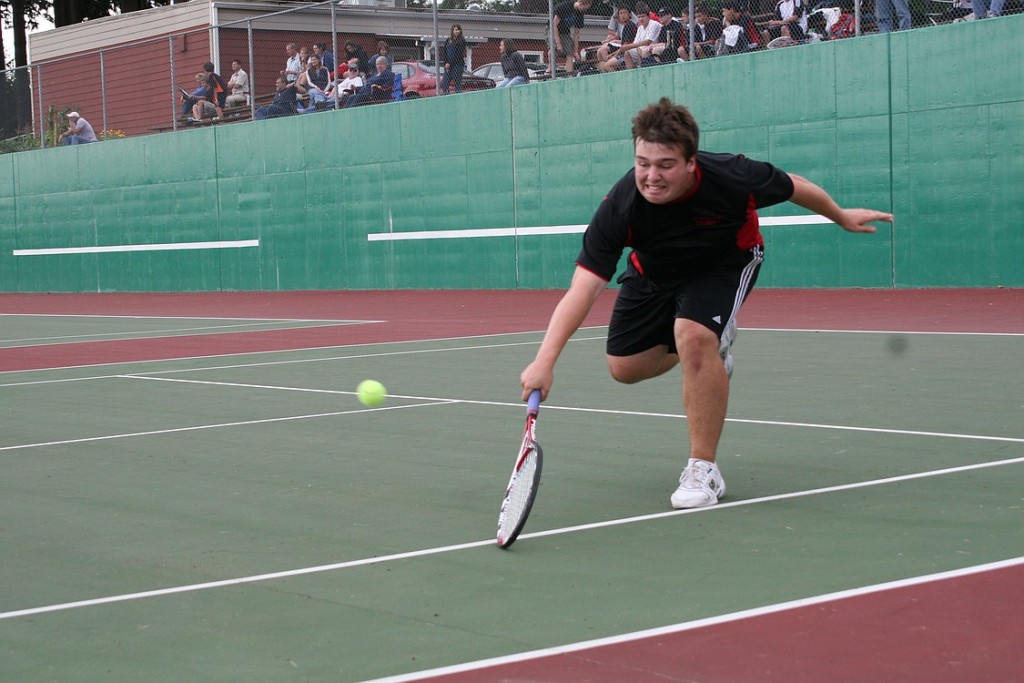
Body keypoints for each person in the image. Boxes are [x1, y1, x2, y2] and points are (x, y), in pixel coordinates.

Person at [518, 98, 892, 510]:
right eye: (643, 163)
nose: (651, 176)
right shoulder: (622, 205)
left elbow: (794, 185)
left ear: (692, 161)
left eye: (665, 164)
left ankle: (703, 468)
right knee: (626, 369)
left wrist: (839, 215)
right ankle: (711, 354)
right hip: (653, 274)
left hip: (724, 263)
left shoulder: (731, 175)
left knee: (693, 335)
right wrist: (544, 360)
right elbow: (582, 290)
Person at [554, 0, 593, 75]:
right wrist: (558, 43)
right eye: (585, 8)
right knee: (552, 50)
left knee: (570, 53)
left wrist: (575, 51)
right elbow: (554, 25)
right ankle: (550, 70)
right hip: (552, 29)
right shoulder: (565, 6)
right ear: (581, 3)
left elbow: (576, 34)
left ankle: (569, 75)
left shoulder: (580, 14)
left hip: (565, 32)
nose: (585, 10)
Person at [441, 24, 467, 95]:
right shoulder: (448, 40)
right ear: (452, 31)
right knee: (445, 83)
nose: (457, 31)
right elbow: (445, 52)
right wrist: (446, 63)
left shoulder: (461, 41)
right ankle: (446, 96)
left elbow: (458, 54)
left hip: (457, 65)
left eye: (458, 30)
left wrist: (450, 63)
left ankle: (458, 97)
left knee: (457, 83)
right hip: (448, 66)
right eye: (456, 30)